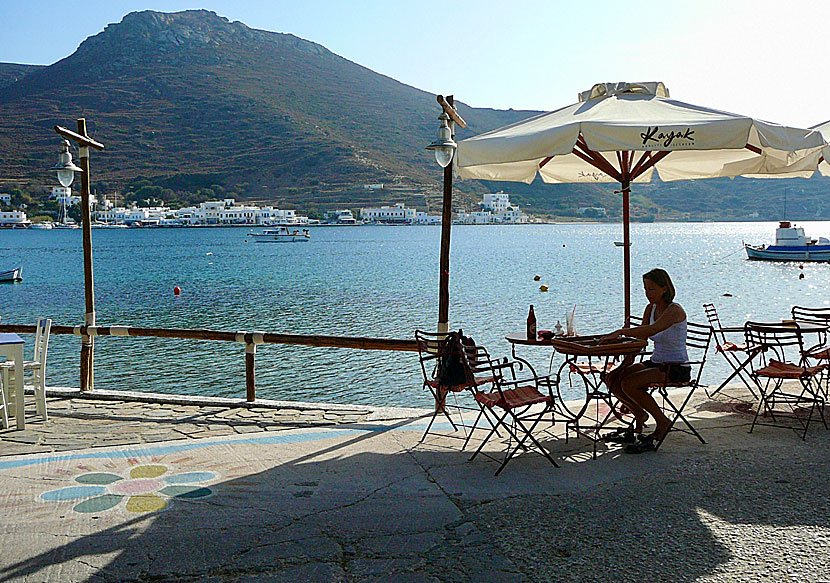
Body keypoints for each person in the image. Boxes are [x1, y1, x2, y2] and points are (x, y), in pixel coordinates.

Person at [600, 268, 690, 454]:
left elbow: (652, 330)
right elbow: (640, 342)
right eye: (645, 289)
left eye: (651, 289)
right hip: (656, 362)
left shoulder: (675, 310)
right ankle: (639, 414)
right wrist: (622, 365)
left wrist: (621, 332)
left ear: (664, 288)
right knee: (614, 380)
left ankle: (662, 421)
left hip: (676, 366)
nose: (648, 294)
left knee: (629, 383)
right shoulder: (650, 309)